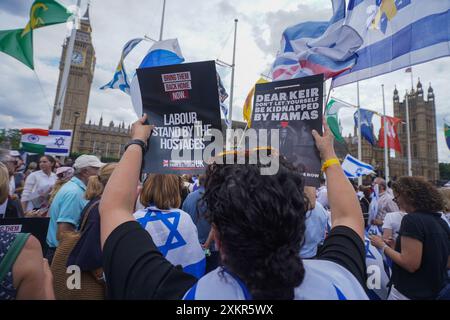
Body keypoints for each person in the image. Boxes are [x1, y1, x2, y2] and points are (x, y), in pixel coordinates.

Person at [99, 115, 368, 300]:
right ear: (299, 224)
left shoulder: (173, 294)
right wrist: (329, 155)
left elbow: (113, 209)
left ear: (216, 233)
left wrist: (137, 142)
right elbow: (347, 218)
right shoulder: (339, 280)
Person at [370, 177, 450, 300]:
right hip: (434, 291)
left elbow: (410, 264)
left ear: (408, 196)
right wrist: (395, 247)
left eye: (397, 197)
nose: (396, 202)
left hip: (408, 292)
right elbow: (445, 261)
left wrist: (382, 246)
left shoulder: (411, 220)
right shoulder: (440, 221)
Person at [52, 163, 117, 300]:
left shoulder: (99, 203)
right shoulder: (101, 209)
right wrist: (107, 281)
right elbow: (90, 254)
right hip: (90, 282)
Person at [134, 173, 205, 278]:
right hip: (183, 283)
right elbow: (195, 257)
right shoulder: (184, 217)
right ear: (175, 191)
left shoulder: (134, 220)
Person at [0, 162, 55, 300]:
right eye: (41, 161)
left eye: (45, 161)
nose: (42, 164)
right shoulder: (24, 247)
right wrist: (47, 279)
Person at [46, 155, 104, 263]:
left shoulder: (74, 189)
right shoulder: (74, 193)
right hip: (64, 256)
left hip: (62, 253)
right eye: (96, 169)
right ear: (85, 172)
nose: (99, 173)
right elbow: (64, 231)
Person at [182, 175, 219, 273]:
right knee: (211, 276)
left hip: (194, 247)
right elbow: (216, 224)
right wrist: (207, 244)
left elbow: (183, 219)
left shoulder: (189, 197)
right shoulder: (213, 198)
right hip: (209, 248)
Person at [301, 187, 328, 259]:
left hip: (289, 258)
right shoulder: (320, 208)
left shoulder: (286, 205)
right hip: (312, 256)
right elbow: (322, 237)